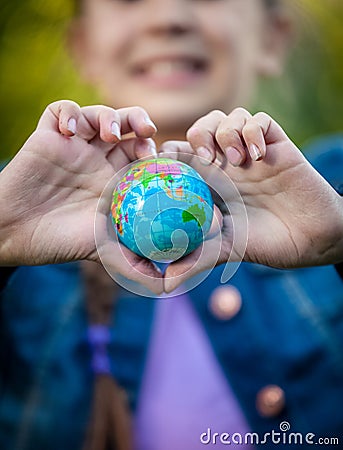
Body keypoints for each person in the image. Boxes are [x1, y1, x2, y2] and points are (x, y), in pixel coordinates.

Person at [0, 0, 342, 449]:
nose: (169, 17)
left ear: (272, 37)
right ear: (83, 46)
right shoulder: (14, 199)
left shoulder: (332, 190)